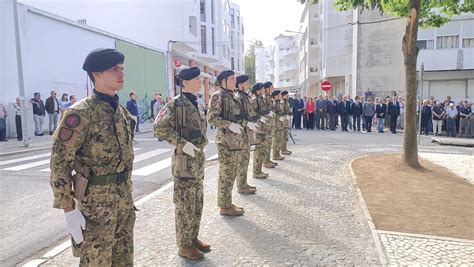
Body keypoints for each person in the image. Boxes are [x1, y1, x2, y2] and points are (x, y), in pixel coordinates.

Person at [50, 48, 136, 266]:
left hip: (124, 202)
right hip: (95, 209)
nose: (121, 73)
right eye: (114, 69)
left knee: (124, 260)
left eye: (122, 68)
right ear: (96, 74)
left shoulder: (122, 113)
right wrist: (69, 210)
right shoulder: (79, 114)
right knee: (95, 262)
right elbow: (59, 163)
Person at [154, 67, 210, 260]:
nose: (200, 82)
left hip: (197, 161)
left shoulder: (196, 102)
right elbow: (159, 127)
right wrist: (181, 143)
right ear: (185, 82)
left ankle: (192, 237)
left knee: (197, 202)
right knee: (185, 205)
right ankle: (184, 245)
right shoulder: (176, 104)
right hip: (184, 162)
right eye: (197, 79)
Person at [207, 70, 245, 216]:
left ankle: (227, 202)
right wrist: (229, 124)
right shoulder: (218, 96)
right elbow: (211, 118)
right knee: (226, 172)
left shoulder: (231, 96)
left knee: (232, 171)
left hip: (234, 139)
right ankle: (224, 206)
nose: (234, 80)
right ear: (223, 81)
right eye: (231, 78)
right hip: (225, 139)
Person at [234, 74, 258, 195]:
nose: (249, 84)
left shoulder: (244, 97)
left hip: (246, 132)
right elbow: (238, 117)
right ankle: (241, 185)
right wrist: (247, 123)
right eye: (247, 82)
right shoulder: (238, 97)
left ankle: (244, 183)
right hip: (241, 132)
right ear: (241, 84)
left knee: (246, 159)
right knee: (242, 160)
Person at [250, 83, 269, 179]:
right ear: (258, 90)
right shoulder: (254, 100)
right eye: (262, 89)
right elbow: (252, 114)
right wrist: (259, 117)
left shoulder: (261, 99)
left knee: (262, 150)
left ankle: (259, 169)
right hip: (258, 128)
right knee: (258, 150)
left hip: (263, 127)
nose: (264, 90)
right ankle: (256, 171)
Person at [263, 82, 278, 168]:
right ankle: (265, 161)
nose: (273, 88)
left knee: (269, 143)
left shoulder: (269, 97)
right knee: (266, 143)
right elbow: (264, 110)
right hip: (267, 123)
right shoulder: (265, 97)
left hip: (271, 123)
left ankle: (267, 159)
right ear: (267, 88)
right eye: (271, 86)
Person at [271, 90, 285, 161]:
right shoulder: (274, 102)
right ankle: (275, 155)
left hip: (280, 123)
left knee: (279, 139)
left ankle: (277, 154)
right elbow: (274, 114)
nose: (280, 95)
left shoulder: (278, 102)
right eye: (279, 94)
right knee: (276, 140)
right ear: (276, 95)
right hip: (276, 124)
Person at [280, 91, 292, 155]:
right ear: (283, 96)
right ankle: (283, 150)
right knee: (283, 136)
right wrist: (286, 114)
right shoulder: (282, 102)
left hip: (286, 121)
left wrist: (289, 113)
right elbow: (281, 113)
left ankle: (285, 148)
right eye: (286, 95)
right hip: (283, 121)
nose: (287, 96)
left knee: (285, 136)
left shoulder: (287, 102)